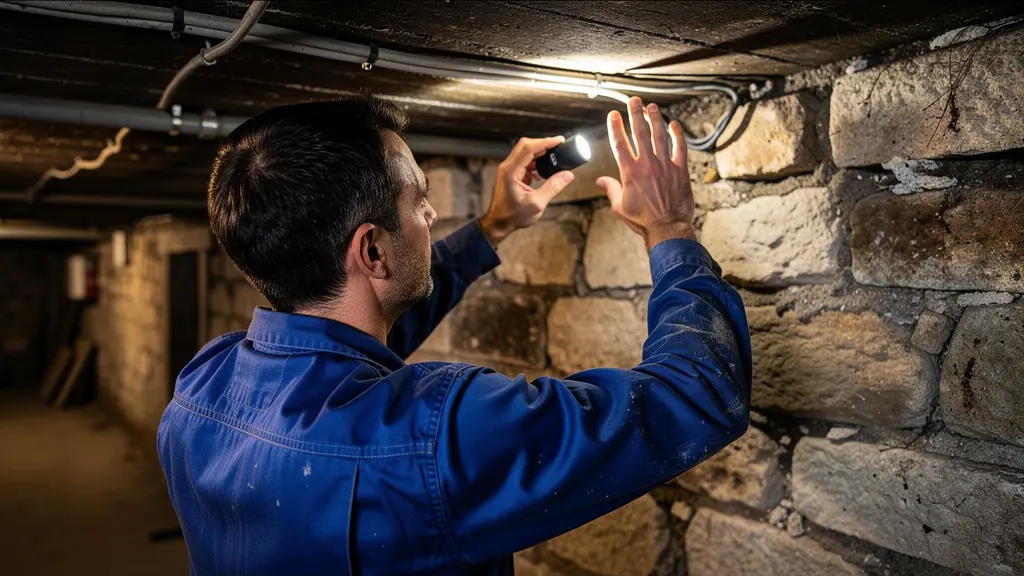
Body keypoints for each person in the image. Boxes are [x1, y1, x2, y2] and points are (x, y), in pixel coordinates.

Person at [157, 94, 751, 575]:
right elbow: (693, 398)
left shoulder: (202, 386)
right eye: (420, 202)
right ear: (370, 248)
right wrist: (671, 230)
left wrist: (493, 227)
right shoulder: (437, 438)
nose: (434, 216)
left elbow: (354, 334)